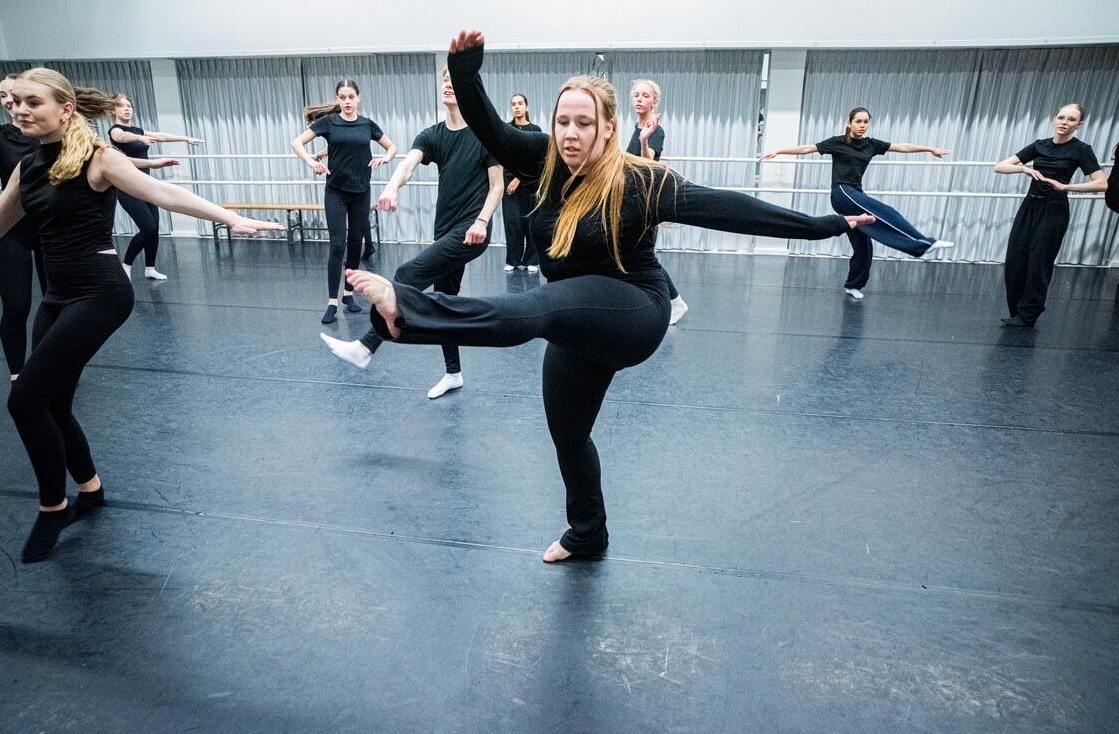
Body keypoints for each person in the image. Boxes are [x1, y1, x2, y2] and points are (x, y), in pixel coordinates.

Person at [345, 31, 874, 562]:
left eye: (583, 123)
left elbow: (731, 209)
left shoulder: (642, 181)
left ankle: (406, 312)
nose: (570, 134)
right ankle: (587, 534)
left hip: (634, 310)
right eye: (562, 122)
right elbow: (492, 129)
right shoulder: (544, 159)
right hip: (577, 317)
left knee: (540, 307)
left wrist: (825, 225)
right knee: (569, 434)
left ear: (607, 129)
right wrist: (464, 74)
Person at [0, 68, 281, 563]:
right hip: (58, 296)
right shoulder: (29, 166)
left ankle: (53, 507)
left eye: (32, 102)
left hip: (100, 294)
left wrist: (231, 218)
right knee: (53, 403)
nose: (20, 110)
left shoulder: (98, 158)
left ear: (65, 109)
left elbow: (163, 194)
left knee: (25, 401)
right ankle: (90, 489)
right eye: (16, 102)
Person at [0, 75, 177, 380]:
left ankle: (49, 371)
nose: (15, 105)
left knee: (54, 316)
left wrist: (150, 165)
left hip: (56, 241)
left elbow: (115, 166)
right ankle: (19, 375)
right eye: (8, 97)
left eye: (27, 99)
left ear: (60, 108)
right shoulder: (2, 138)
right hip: (13, 233)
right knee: (16, 308)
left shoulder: (66, 140)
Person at [321, 65, 504, 399]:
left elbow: (497, 185)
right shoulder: (432, 134)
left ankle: (365, 347)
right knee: (443, 302)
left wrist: (481, 220)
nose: (448, 84)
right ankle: (453, 373)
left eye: (454, 80)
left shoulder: (485, 133)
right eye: (444, 80)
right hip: (445, 229)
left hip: (471, 229)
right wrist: (392, 186)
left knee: (407, 274)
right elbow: (407, 164)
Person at [763, 107, 954, 299]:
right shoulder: (837, 142)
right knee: (885, 212)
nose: (862, 125)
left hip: (855, 193)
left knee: (863, 245)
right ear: (850, 123)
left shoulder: (871, 145)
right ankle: (924, 244)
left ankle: (853, 285)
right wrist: (779, 151)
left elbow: (902, 147)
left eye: (866, 122)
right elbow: (807, 148)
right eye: (858, 121)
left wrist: (929, 149)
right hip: (842, 194)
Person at [290, 81, 397, 324]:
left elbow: (392, 147)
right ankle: (332, 302)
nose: (347, 101)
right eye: (342, 97)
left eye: (351, 97)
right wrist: (311, 162)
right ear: (337, 99)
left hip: (361, 192)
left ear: (359, 97)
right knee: (338, 245)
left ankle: (348, 295)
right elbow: (297, 143)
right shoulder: (329, 122)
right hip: (336, 192)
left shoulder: (367, 125)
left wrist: (386, 158)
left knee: (356, 244)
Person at [993, 104, 1107, 327]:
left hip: (1054, 209)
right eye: (1061, 117)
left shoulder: (1081, 150)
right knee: (1015, 261)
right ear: (1053, 120)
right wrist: (1024, 169)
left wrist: (1066, 187)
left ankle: (1028, 315)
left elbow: (1102, 183)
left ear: (1079, 125)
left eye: (1071, 119)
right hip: (1029, 206)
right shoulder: (1039, 145)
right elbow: (1000, 166)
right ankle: (1016, 311)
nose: (1065, 122)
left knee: (1039, 263)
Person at [108, 93, 203, 281]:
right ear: (114, 110)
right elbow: (122, 136)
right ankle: (126, 266)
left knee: (154, 228)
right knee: (148, 228)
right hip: (127, 187)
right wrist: (139, 138)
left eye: (129, 105)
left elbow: (160, 136)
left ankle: (150, 268)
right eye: (121, 106)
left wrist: (186, 138)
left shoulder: (138, 130)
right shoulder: (115, 131)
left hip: (146, 185)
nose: (127, 109)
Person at [628, 78, 688, 324]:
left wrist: (644, 139)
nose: (639, 99)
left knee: (644, 256)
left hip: (646, 202)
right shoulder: (637, 127)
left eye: (645, 96)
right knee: (634, 254)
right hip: (633, 199)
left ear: (655, 102)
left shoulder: (654, 130)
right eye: (636, 95)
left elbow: (648, 162)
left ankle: (675, 301)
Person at [503, 93, 541, 273]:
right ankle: (513, 260)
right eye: (513, 104)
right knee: (512, 222)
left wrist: (519, 178)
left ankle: (532, 260)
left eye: (520, 103)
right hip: (508, 181)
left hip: (530, 182)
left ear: (526, 107)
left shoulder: (535, 130)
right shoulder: (506, 129)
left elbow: (536, 158)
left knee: (530, 221)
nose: (517, 107)